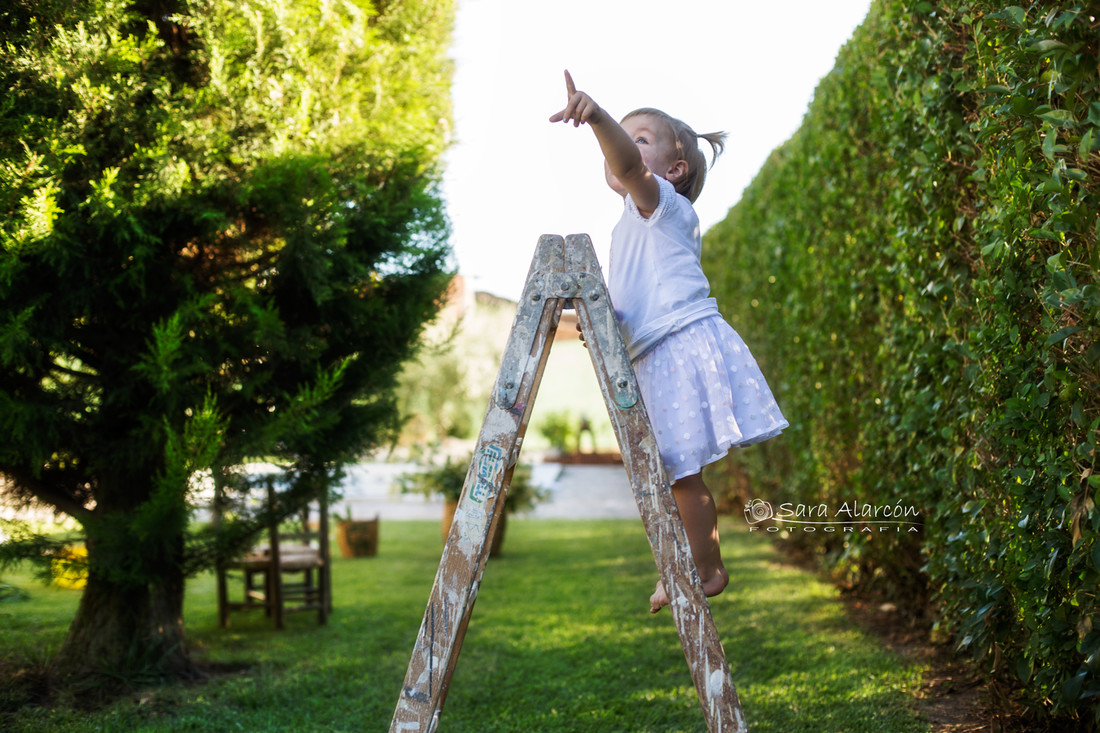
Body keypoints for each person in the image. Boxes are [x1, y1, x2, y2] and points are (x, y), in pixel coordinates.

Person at [550, 71, 788, 613]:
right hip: (657, 351)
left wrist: (596, 116)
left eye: (640, 138)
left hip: (680, 345)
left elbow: (629, 168)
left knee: (679, 471)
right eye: (622, 134)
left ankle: (704, 569)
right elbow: (637, 300)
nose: (625, 149)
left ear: (674, 170)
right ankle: (683, 565)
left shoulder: (662, 207)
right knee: (666, 472)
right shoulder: (631, 224)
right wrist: (602, 321)